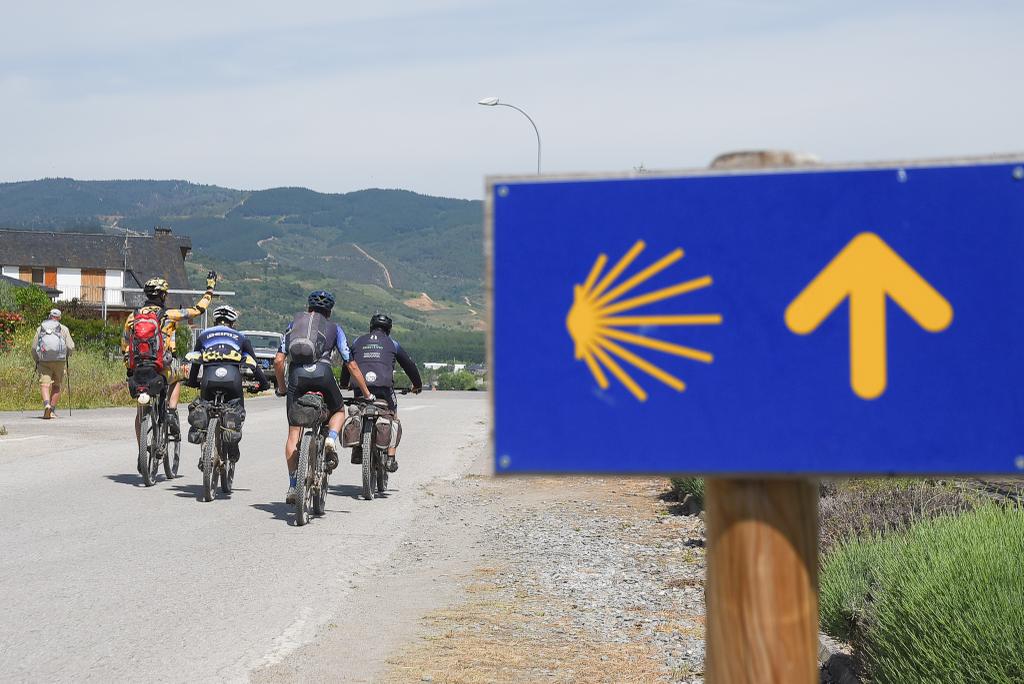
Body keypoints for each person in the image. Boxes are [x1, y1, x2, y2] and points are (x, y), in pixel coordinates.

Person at [273, 290, 374, 503]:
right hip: (323, 375)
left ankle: (293, 485)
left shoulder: (293, 325)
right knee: (338, 410)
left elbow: (278, 361)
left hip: (297, 378)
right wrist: (366, 393)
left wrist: (282, 388)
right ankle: (331, 438)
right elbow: (351, 363)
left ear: (308, 307)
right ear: (329, 311)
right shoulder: (335, 329)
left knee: (294, 433)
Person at [122, 271, 216, 444]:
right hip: (161, 368)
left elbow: (125, 344)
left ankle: (141, 449)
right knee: (178, 376)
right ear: (163, 295)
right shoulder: (169, 315)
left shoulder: (133, 316)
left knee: (140, 412)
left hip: (139, 370)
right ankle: (171, 411)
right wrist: (210, 289)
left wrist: (129, 367)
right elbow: (198, 310)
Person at [184, 305, 271, 465]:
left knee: (205, 407)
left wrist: (191, 382)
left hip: (208, 380)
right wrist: (264, 384)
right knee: (237, 410)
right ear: (233, 323)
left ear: (214, 321)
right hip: (232, 380)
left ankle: (206, 447)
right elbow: (253, 364)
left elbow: (196, 362)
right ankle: (232, 444)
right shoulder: (241, 337)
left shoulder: (203, 335)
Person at [344, 313, 422, 472]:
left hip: (361, 387)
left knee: (358, 410)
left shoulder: (358, 341)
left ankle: (358, 449)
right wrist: (417, 385)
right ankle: (391, 457)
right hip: (384, 389)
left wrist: (345, 383)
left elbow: (348, 362)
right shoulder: (393, 343)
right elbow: (410, 365)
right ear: (389, 330)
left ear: (371, 327)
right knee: (393, 414)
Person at [31, 308, 75, 419]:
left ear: (50, 316)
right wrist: (67, 355)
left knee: (45, 384)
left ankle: (46, 405)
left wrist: (37, 359)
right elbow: (71, 346)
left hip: (44, 360)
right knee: (56, 385)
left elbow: (33, 347)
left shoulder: (40, 328)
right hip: (59, 361)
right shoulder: (63, 329)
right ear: (59, 318)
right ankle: (52, 410)